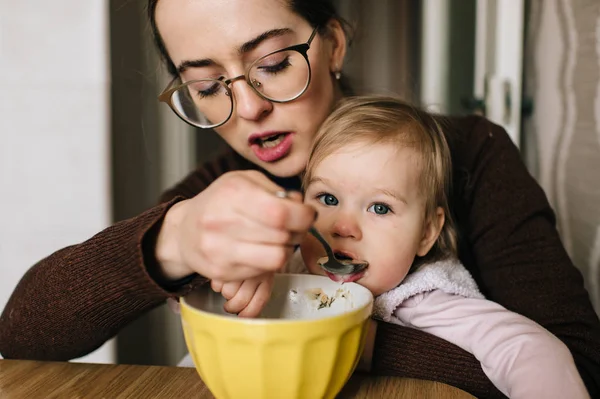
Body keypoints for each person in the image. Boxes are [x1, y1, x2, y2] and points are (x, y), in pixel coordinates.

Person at [0, 1, 598, 397]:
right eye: (207, 86)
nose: (251, 107)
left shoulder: (465, 154)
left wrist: (340, 341)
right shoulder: (214, 195)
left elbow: (575, 368)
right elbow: (21, 338)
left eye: (276, 63)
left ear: (333, 44)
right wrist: (171, 239)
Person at [296, 96, 589, 398]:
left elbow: (531, 352)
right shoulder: (286, 267)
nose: (343, 227)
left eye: (380, 208)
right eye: (328, 199)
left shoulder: (423, 297)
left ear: (426, 233)